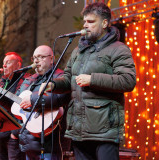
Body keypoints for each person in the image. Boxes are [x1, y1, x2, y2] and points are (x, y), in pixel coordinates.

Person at [39, 2, 136, 160]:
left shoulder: (118, 49)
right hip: (79, 130)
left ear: (104, 23)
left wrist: (93, 79)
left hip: (104, 132)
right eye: (85, 21)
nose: (85, 25)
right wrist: (54, 84)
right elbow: (69, 79)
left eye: (91, 22)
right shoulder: (78, 51)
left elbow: (128, 80)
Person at [14, 45, 70, 160]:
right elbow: (16, 105)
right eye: (34, 57)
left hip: (52, 142)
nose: (36, 60)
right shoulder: (29, 80)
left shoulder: (60, 77)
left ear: (52, 59)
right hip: (29, 143)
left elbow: (59, 97)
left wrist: (32, 100)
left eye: (40, 57)